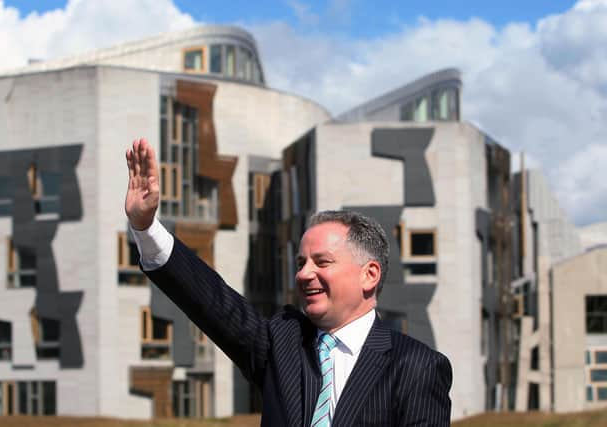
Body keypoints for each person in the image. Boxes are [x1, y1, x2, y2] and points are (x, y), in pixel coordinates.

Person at [125, 138, 452, 426]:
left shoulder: (417, 367)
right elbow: (212, 301)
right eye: (300, 263)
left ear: (369, 275)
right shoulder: (283, 342)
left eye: (321, 262)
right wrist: (146, 227)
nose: (303, 274)